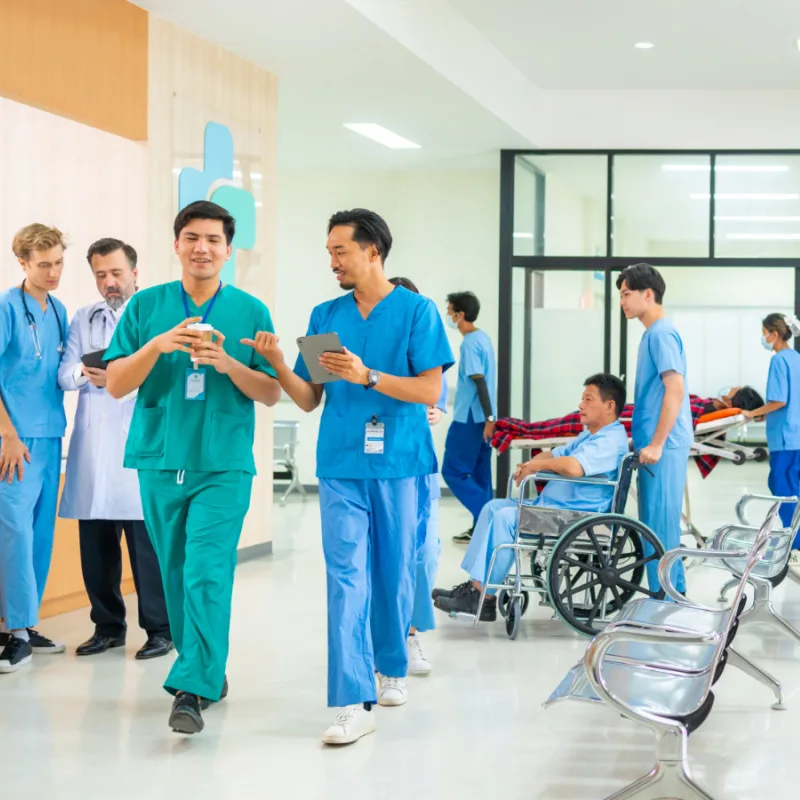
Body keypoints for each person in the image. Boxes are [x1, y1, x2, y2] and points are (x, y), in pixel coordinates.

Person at [249, 209, 453, 746]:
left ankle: (391, 667)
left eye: (340, 251)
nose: (333, 262)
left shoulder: (417, 312)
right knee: (345, 578)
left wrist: (369, 376)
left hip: (399, 461)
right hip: (341, 463)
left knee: (393, 573)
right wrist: (280, 365)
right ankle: (352, 701)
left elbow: (430, 390)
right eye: (329, 253)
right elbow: (310, 398)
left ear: (373, 252)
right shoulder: (326, 315)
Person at [104, 201, 281, 734]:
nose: (202, 248)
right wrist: (157, 347)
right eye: (192, 238)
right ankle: (205, 669)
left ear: (228, 250)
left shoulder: (251, 311)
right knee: (176, 571)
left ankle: (189, 689)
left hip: (223, 462)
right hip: (160, 458)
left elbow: (271, 391)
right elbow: (115, 383)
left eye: (213, 239)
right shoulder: (146, 306)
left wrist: (228, 364)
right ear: (177, 244)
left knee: (207, 569)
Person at [433, 374, 629, 620]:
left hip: (575, 518)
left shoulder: (610, 440)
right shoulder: (590, 436)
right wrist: (529, 465)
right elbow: (553, 454)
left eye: (588, 399)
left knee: (506, 518)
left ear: (610, 406)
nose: (581, 405)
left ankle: (484, 596)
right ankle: (474, 586)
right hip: (555, 509)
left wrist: (537, 467)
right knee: (492, 508)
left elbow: (573, 467)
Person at [57, 238, 172, 660]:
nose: (109, 282)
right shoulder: (83, 317)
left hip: (139, 441)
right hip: (94, 448)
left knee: (146, 549)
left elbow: (165, 374)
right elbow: (64, 374)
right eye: (101, 275)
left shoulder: (155, 314)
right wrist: (86, 374)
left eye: (116, 273)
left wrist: (122, 379)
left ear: (134, 273)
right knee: (96, 547)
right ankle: (107, 627)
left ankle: (160, 629)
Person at [0, 224, 70, 673]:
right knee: (15, 533)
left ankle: (27, 623)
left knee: (41, 534)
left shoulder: (59, 310)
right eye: (44, 264)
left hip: (50, 435)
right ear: (23, 263)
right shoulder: (7, 307)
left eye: (59, 262)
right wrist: (7, 433)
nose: (53, 272)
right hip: (14, 441)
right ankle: (16, 633)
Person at [617, 263, 691, 595]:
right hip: (654, 442)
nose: (622, 301)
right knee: (656, 524)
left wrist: (658, 443)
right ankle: (671, 595)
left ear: (648, 294)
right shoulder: (653, 333)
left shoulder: (661, 333)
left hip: (664, 444)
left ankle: (668, 601)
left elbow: (675, 389)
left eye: (626, 294)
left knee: (659, 526)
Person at [388, 276, 447, 676]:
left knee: (425, 553)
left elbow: (437, 396)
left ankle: (409, 634)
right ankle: (386, 640)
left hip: (417, 466)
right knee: (383, 560)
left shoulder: (426, 348)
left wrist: (437, 410)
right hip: (376, 467)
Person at [441, 291, 496, 544]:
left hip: (470, 418)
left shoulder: (470, 343)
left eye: (450, 312)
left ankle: (489, 517)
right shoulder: (483, 338)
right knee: (480, 474)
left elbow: (478, 381)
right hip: (483, 417)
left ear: (460, 315)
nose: (448, 317)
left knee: (453, 471)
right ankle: (481, 528)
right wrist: (491, 417)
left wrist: (489, 418)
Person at [742, 313, 800, 542]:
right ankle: (794, 540)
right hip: (796, 436)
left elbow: (779, 401)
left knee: (783, 491)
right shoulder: (796, 358)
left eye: (764, 333)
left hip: (785, 439)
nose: (763, 338)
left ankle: (794, 545)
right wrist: (765, 414)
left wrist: (752, 413)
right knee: (792, 489)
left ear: (774, 334)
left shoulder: (779, 360)